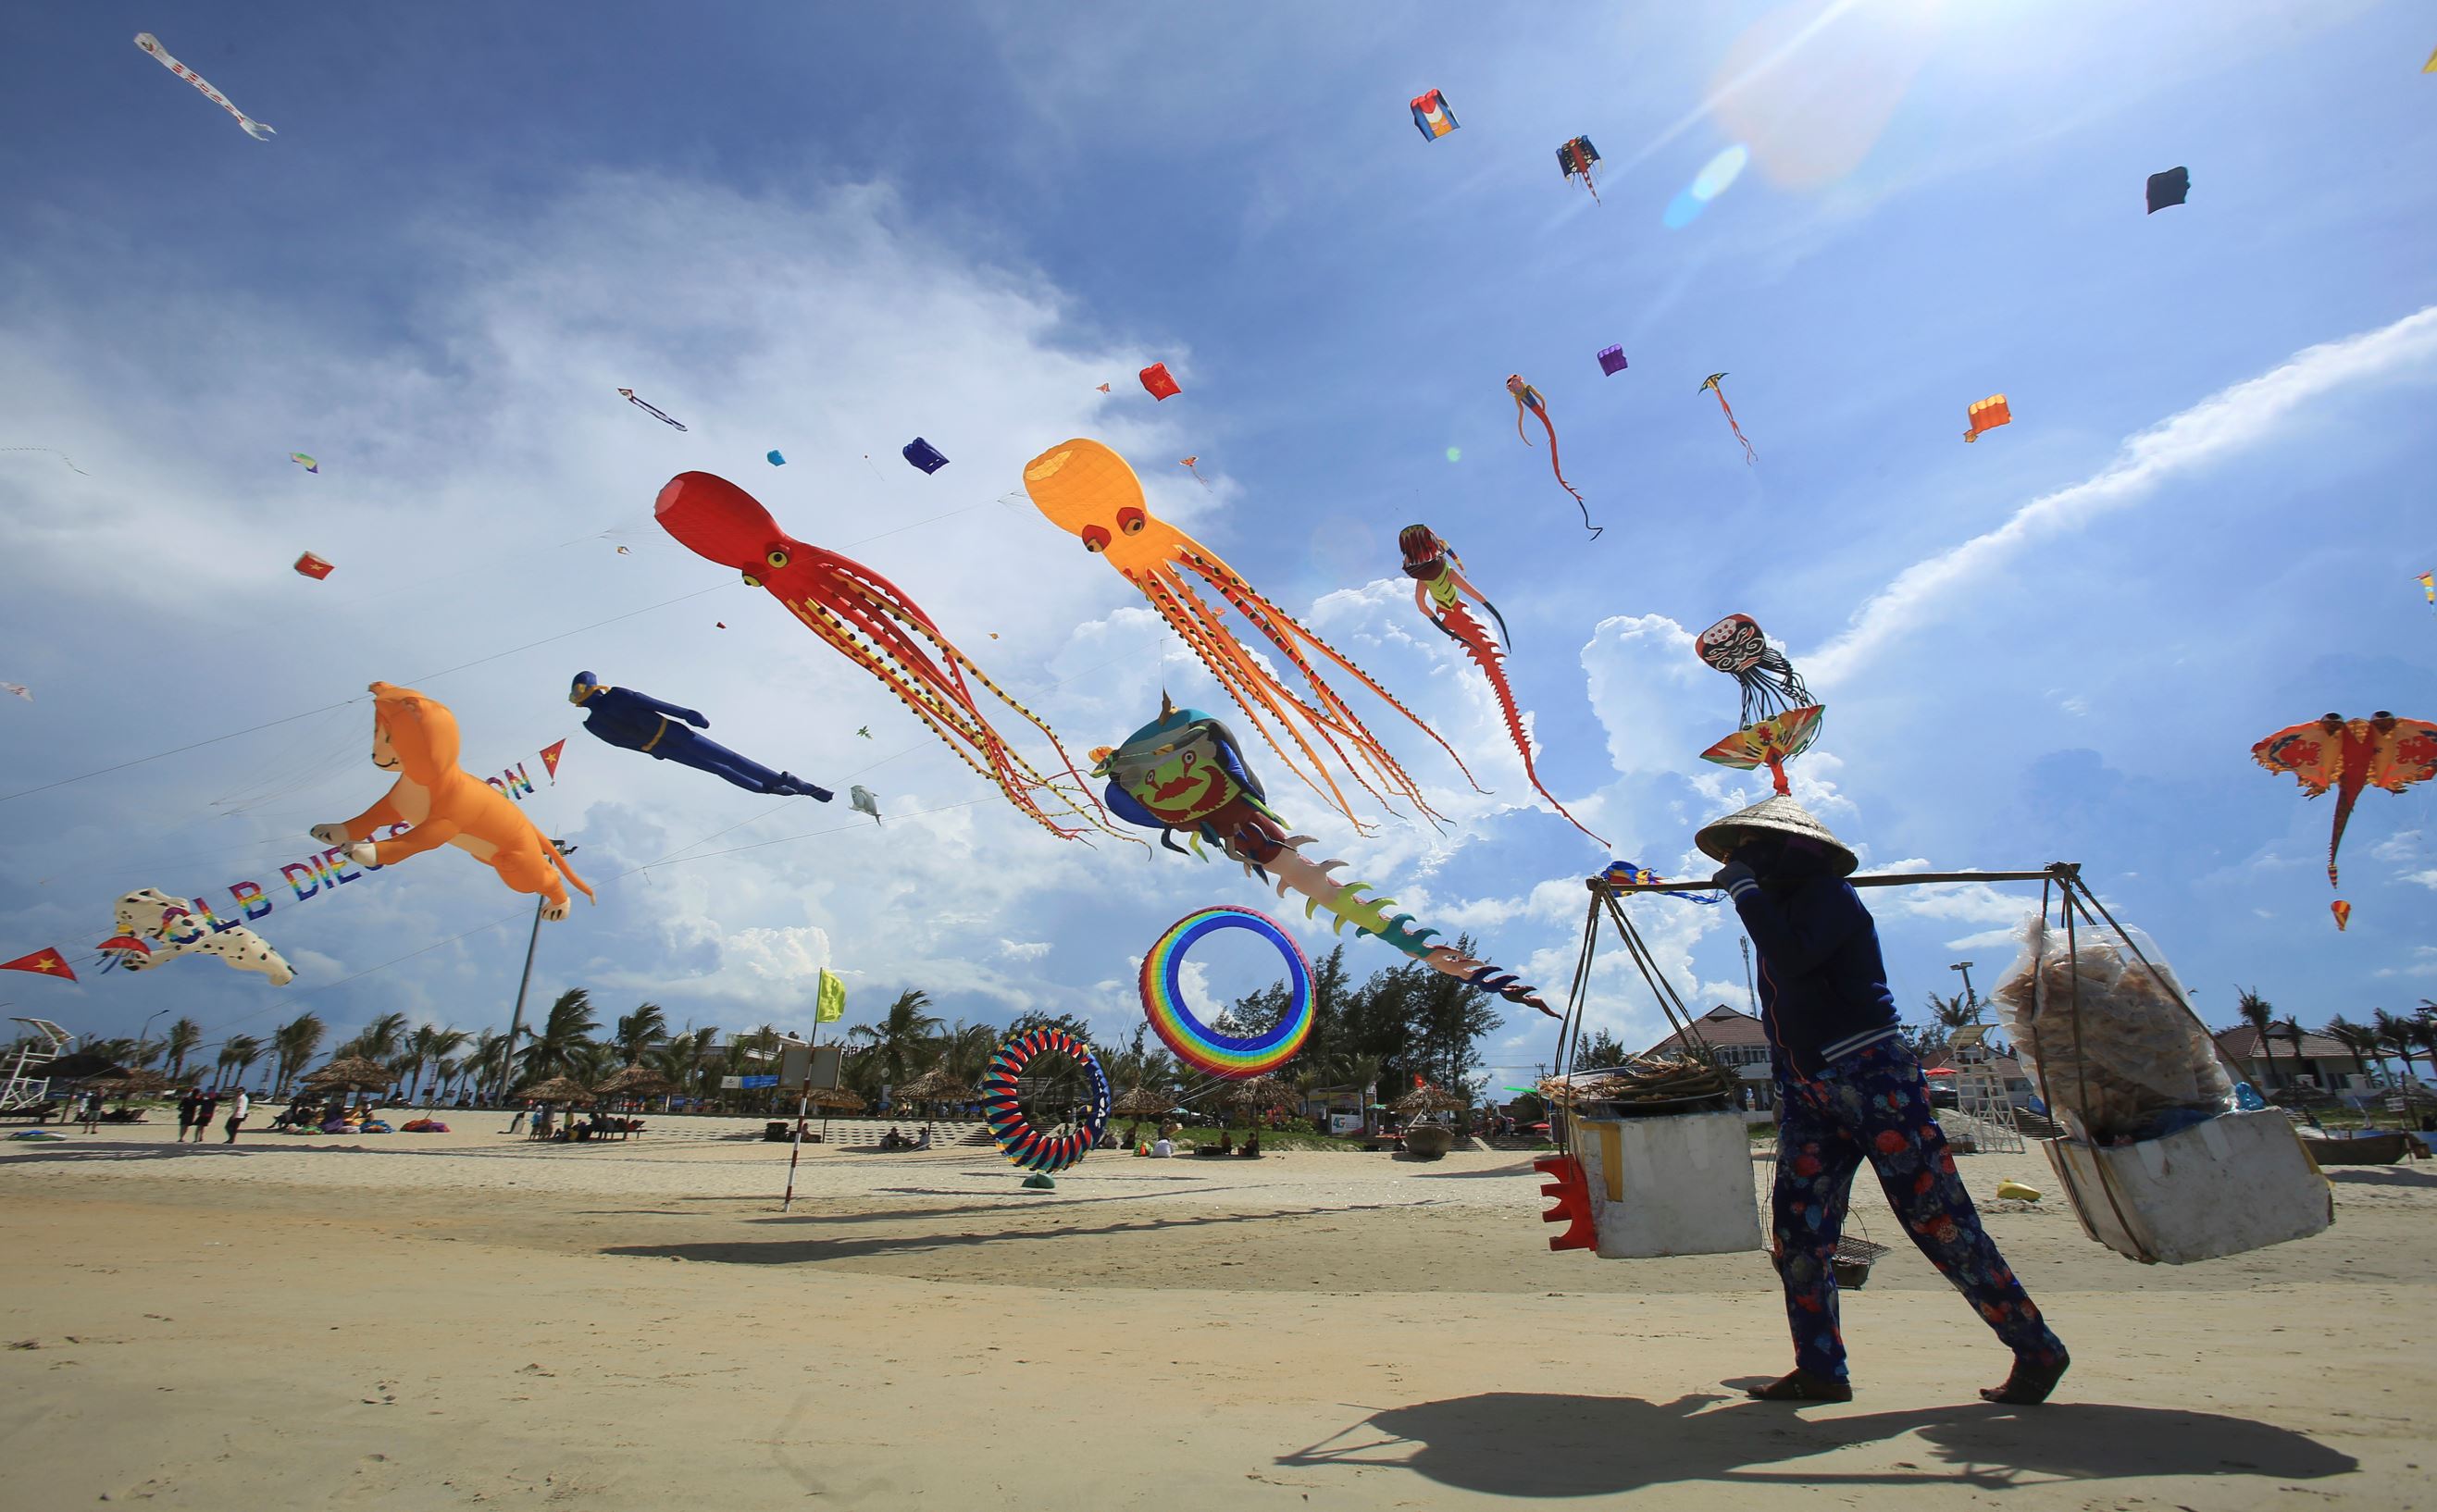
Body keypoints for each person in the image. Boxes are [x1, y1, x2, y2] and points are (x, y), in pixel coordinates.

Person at [1700, 795, 2068, 1407]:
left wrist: (1743, 891)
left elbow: (1793, 957)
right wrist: (1752, 892)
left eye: (1746, 853)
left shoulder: (1827, 897)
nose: (1737, 862)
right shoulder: (1779, 904)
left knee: (1938, 1221)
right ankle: (1820, 1368)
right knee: (1797, 1235)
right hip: (1806, 1083)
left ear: (1788, 853)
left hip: (1871, 1075)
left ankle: (2035, 1348)